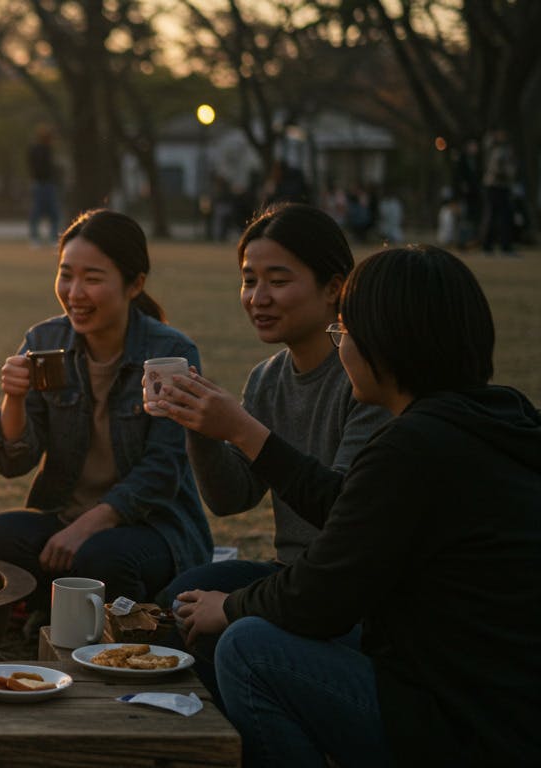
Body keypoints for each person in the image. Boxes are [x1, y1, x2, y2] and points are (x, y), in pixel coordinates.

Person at [174, 245, 541, 766]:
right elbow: (352, 507)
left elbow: (319, 597)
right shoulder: (500, 419)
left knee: (247, 648)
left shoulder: (413, 448)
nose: (339, 345)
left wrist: (228, 607)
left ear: (386, 344)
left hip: (458, 724)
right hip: (507, 706)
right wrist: (242, 433)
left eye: (343, 331)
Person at [156, 203, 391, 699]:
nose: (258, 298)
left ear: (334, 288)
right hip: (291, 574)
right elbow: (231, 498)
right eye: (248, 280)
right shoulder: (267, 377)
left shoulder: (368, 379)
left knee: (230, 635)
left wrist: (239, 428)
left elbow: (345, 513)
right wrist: (199, 424)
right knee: (176, 603)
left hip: (351, 594)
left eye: (278, 281)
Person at [0, 209, 212, 617]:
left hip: (151, 529)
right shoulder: (45, 340)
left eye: (93, 278)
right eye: (66, 275)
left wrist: (86, 527)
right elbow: (13, 461)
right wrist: (13, 398)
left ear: (134, 284)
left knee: (102, 558)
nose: (74, 292)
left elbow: (162, 470)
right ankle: (49, 613)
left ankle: (122, 620)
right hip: (66, 519)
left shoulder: (169, 353)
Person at [481, 129, 518, 257]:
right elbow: (497, 169)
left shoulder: (501, 149)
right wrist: (509, 172)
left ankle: (502, 245)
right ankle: (489, 245)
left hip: (501, 186)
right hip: (495, 186)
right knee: (494, 216)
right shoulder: (496, 150)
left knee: (503, 217)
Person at [27, 125, 61, 247]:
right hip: (41, 183)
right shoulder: (40, 150)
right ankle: (36, 237)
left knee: (51, 213)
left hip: (46, 183)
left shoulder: (45, 150)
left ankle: (51, 237)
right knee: (38, 212)